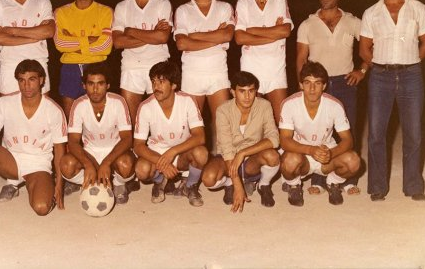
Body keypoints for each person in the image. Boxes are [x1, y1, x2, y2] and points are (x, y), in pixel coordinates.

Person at [359, 0, 425, 202]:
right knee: (376, 133)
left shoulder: (418, 8)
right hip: (380, 78)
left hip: (411, 76)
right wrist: (381, 66)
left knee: (413, 132)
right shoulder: (371, 13)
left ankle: (413, 186)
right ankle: (377, 186)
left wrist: (410, 61)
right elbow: (364, 49)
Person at [0, 59, 67, 219]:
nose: (26, 86)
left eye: (32, 79)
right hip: (10, 161)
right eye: (22, 80)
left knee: (41, 208)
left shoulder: (53, 110)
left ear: (41, 80)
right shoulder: (5, 103)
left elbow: (60, 149)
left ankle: (35, 185)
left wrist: (59, 184)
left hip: (38, 165)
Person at [296, 0, 368, 196]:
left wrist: (362, 70)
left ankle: (348, 179)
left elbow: (371, 47)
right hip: (317, 85)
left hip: (345, 83)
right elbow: (301, 58)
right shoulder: (307, 24)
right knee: (319, 131)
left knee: (347, 131)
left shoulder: (353, 22)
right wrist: (303, 85)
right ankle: (318, 178)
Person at [279, 61, 360, 206]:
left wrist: (331, 153)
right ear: (301, 84)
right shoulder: (289, 104)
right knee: (289, 161)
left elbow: (348, 140)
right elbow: (284, 140)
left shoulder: (334, 105)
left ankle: (333, 183)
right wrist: (310, 150)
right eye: (307, 83)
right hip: (301, 155)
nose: (312, 89)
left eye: (317, 83)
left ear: (324, 85)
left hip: (326, 155)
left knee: (353, 161)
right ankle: (294, 185)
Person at [173, 0, 235, 153]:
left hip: (218, 72)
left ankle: (223, 161)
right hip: (192, 73)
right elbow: (181, 44)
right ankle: (191, 166)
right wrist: (216, 36)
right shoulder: (183, 10)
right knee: (191, 125)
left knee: (222, 123)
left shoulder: (224, 7)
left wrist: (194, 36)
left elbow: (227, 35)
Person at [202, 71, 280, 212]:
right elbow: (227, 149)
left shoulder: (264, 105)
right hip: (228, 158)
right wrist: (237, 185)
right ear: (233, 92)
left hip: (252, 158)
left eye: (251, 91)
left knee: (273, 156)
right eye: (242, 91)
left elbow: (274, 138)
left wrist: (243, 153)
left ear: (256, 91)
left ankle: (263, 184)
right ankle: (229, 183)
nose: (247, 96)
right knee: (208, 178)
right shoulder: (223, 110)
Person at [133, 60, 208, 207]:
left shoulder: (187, 101)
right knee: (141, 170)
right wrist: (161, 162)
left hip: (182, 153)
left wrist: (172, 152)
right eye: (153, 82)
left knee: (201, 153)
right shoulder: (145, 107)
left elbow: (200, 136)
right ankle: (159, 181)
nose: (156, 87)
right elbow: (138, 145)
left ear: (174, 85)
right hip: (157, 153)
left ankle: (190, 185)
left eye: (161, 82)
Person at [60, 62, 136, 205]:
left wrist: (107, 163)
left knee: (126, 165)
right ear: (84, 85)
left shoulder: (118, 102)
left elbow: (127, 139)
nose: (95, 89)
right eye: (91, 84)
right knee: (66, 165)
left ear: (108, 85)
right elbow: (73, 141)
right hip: (91, 152)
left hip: (114, 152)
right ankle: (89, 180)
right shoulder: (79, 104)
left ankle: (118, 183)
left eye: (100, 84)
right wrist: (88, 164)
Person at [112, 0, 173, 125]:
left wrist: (130, 31)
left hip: (158, 65)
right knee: (131, 123)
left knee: (161, 122)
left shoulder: (162, 3)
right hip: (131, 67)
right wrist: (152, 34)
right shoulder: (122, 6)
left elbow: (162, 38)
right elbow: (118, 42)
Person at [234, 0, 293, 121]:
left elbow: (285, 31)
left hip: (276, 69)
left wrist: (252, 31)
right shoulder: (243, 2)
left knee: (282, 121)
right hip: (251, 68)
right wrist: (274, 33)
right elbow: (239, 38)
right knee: (253, 122)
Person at [54, 0, 113, 117]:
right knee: (71, 119)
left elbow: (105, 46)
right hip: (70, 69)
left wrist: (73, 42)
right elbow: (60, 44)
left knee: (98, 118)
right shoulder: (61, 12)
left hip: (97, 66)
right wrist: (89, 40)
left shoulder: (105, 11)